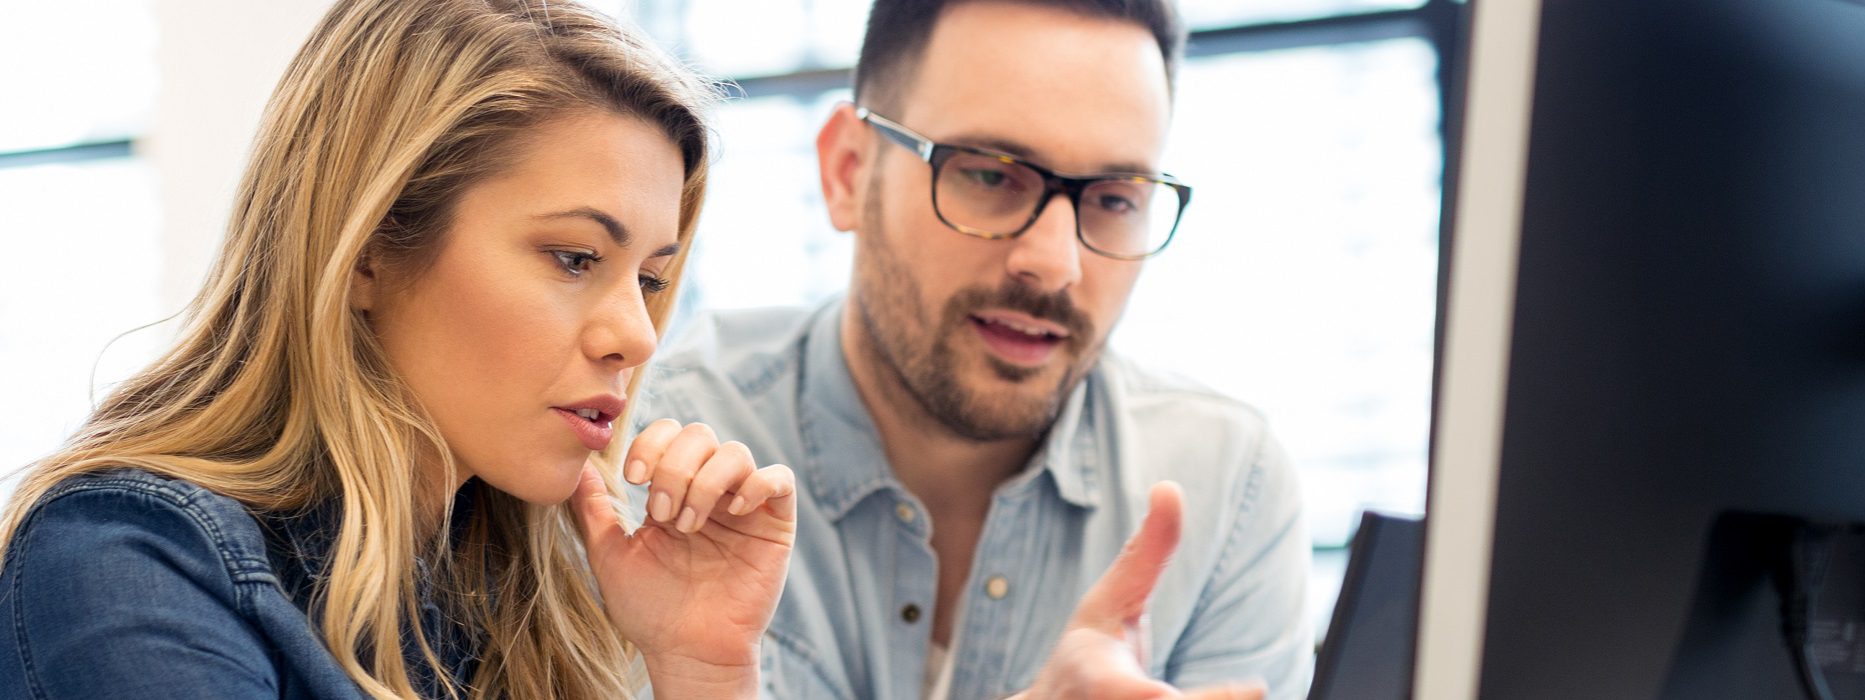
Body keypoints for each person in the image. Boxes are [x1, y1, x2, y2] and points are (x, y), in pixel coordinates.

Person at [0, 1, 795, 698]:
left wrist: (704, 673)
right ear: (368, 250)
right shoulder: (131, 565)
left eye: (652, 279)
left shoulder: (530, 601)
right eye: (576, 258)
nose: (638, 335)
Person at [635, 0, 1311, 698]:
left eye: (1114, 199)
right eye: (990, 175)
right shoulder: (651, 454)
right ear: (848, 172)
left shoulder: (1229, 490)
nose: (1054, 265)